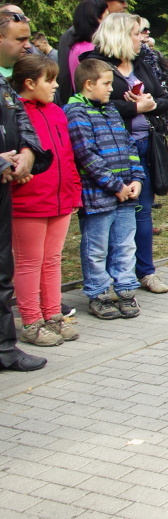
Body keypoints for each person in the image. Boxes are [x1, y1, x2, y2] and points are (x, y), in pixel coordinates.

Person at [90, 13, 168, 294]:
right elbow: (94, 107)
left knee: (143, 211)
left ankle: (145, 272)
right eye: (137, 33)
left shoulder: (142, 62)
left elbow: (163, 99)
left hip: (145, 145)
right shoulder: (95, 64)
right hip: (112, 151)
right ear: (121, 35)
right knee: (113, 215)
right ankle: (112, 277)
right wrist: (135, 108)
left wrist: (148, 104)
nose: (142, 38)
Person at [64, 58, 146, 321]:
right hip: (98, 197)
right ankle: (98, 293)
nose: (111, 88)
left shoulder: (111, 111)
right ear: (89, 84)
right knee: (96, 247)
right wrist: (115, 186)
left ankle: (124, 290)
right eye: (107, 83)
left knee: (124, 244)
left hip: (125, 195)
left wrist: (136, 179)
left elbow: (129, 145)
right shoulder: (75, 113)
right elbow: (85, 156)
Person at [11, 54, 82, 345]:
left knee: (52, 260)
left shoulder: (56, 111)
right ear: (29, 83)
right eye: (49, 80)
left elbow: (67, 154)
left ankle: (53, 314)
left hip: (60, 198)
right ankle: (31, 321)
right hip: (29, 201)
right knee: (29, 262)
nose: (55, 86)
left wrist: (73, 189)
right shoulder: (14, 113)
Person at [0, 12, 48, 371]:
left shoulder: (4, 86)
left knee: (3, 271)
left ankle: (5, 348)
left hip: (4, 190)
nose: (27, 45)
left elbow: (23, 125)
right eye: (19, 39)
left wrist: (28, 153)